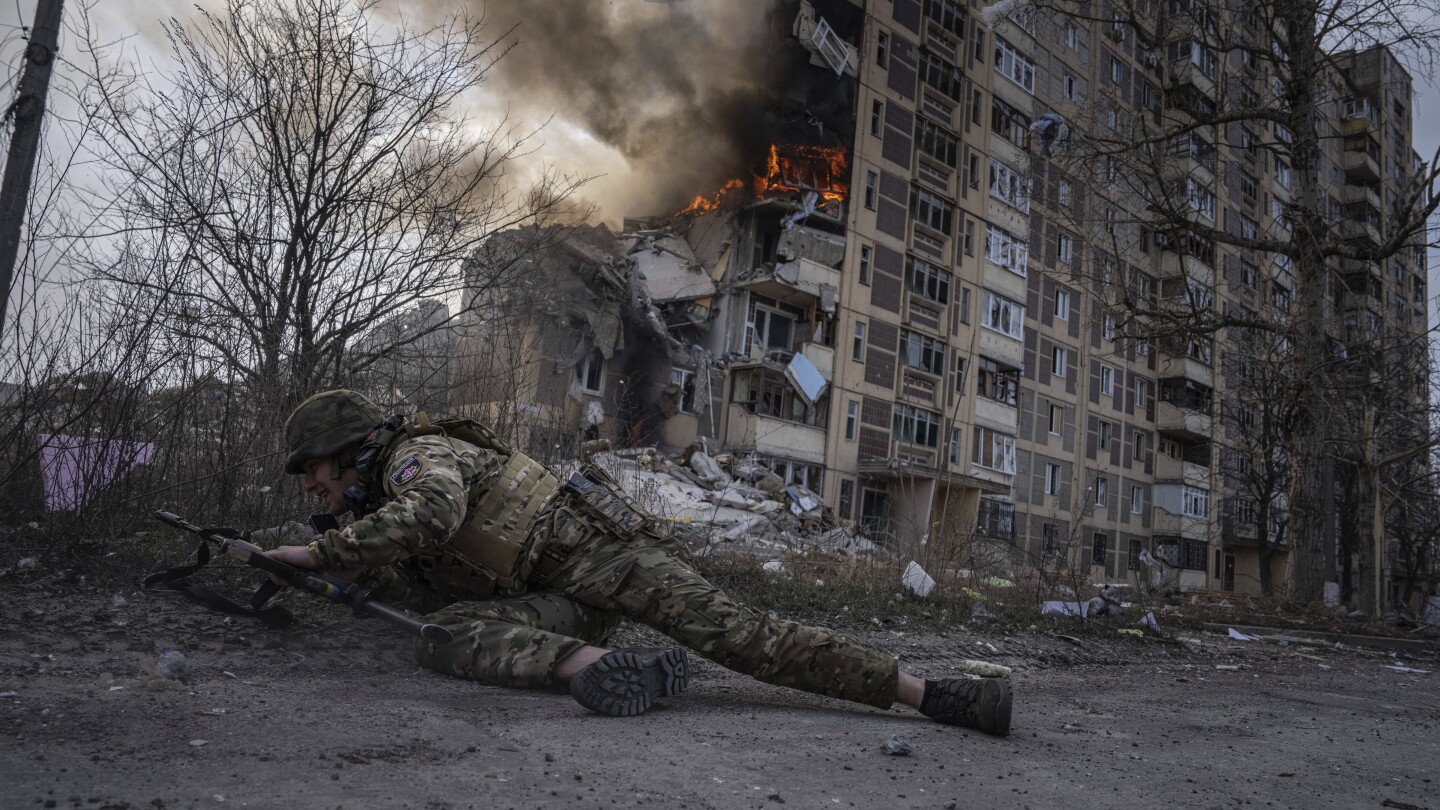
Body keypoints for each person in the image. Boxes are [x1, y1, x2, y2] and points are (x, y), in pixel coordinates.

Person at [263, 390, 1013, 734]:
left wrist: (320, 549)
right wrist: (338, 569)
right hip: (562, 607)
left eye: (315, 469)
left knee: (745, 638)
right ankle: (597, 667)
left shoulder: (413, 460)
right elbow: (431, 575)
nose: (312, 484)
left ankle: (934, 695)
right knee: (442, 633)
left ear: (352, 449)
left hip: (607, 560)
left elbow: (434, 512)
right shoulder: (377, 498)